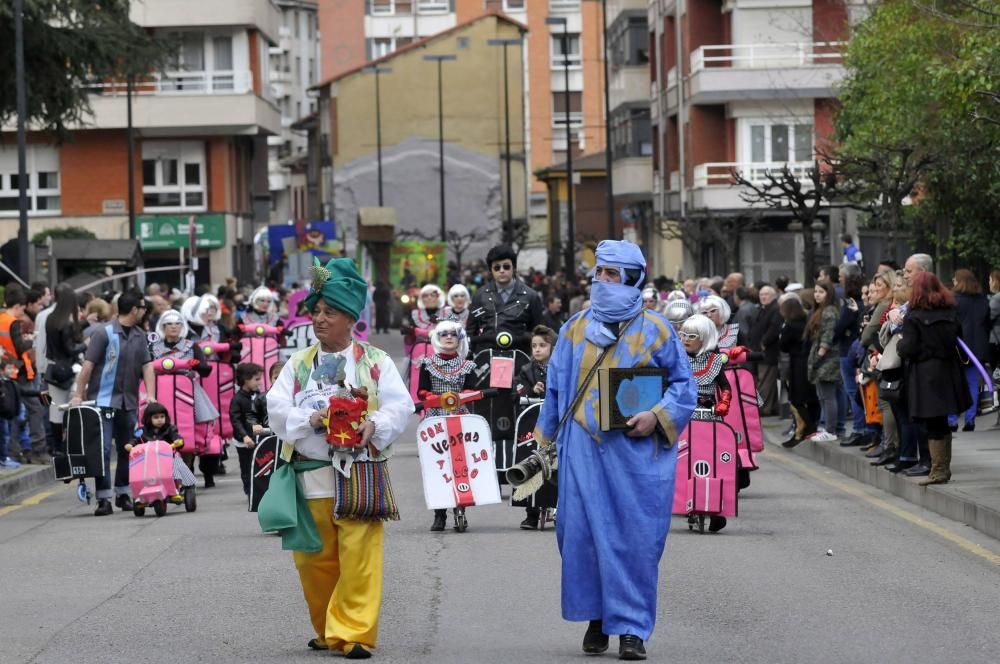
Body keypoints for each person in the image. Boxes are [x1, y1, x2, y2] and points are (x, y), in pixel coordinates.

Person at [533, 240, 696, 661]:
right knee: (580, 536)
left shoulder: (657, 330)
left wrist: (657, 416)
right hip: (581, 453)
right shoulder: (572, 328)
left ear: (633, 279)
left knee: (634, 540)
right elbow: (554, 389)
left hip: (637, 456)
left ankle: (632, 629)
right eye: (599, 273)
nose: (602, 281)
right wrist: (543, 439)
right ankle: (597, 619)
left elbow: (683, 387)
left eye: (612, 275)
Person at [262, 257, 413, 659]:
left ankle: (354, 633)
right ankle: (329, 628)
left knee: (360, 559)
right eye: (316, 311)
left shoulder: (376, 362)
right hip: (310, 475)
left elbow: (402, 406)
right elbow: (275, 407)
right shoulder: (298, 364)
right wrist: (308, 417)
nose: (319, 319)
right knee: (314, 562)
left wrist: (374, 426)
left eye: (329, 312)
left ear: (350, 318)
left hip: (360, 472)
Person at [70, 291, 156, 516]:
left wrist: (151, 395)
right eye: (142, 308)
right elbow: (88, 365)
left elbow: (147, 366)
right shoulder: (104, 332)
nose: (144, 312)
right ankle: (104, 498)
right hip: (103, 401)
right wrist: (79, 394)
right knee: (103, 449)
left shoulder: (140, 335)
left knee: (128, 449)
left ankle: (123, 493)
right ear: (135, 310)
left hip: (129, 402)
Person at [897, 272, 971, 485]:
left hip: (925, 373)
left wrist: (900, 345)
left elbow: (909, 348)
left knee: (932, 422)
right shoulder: (950, 312)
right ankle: (943, 468)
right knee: (942, 421)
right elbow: (959, 340)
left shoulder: (913, 316)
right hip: (948, 370)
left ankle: (938, 471)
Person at [417, 319, 478, 533]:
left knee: (460, 464)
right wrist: (436, 398)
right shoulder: (427, 363)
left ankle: (460, 509)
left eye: (454, 334)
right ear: (437, 338)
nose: (449, 337)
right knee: (438, 465)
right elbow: (421, 392)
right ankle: (439, 514)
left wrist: (460, 398)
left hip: (460, 417)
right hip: (435, 418)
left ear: (460, 339)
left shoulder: (468, 366)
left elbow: (472, 391)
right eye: (444, 334)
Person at [678, 314, 732, 532]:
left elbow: (725, 387)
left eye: (692, 336)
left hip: (710, 416)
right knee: (683, 461)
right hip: (683, 416)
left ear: (705, 338)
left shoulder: (715, 361)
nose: (685, 339)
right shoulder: (677, 359)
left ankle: (716, 508)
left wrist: (724, 403)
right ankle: (681, 499)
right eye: (683, 335)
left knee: (714, 462)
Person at [513, 324, 557, 530]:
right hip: (531, 423)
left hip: (555, 423)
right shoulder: (526, 370)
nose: (537, 349)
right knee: (529, 461)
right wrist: (531, 389)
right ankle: (530, 512)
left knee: (554, 464)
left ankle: (557, 507)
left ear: (553, 347)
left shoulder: (560, 369)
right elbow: (517, 391)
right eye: (534, 346)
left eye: (542, 345)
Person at [466, 244, 544, 356]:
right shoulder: (480, 295)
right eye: (497, 267)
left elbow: (539, 332)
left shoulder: (531, 296)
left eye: (506, 266)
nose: (502, 271)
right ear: (491, 270)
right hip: (486, 358)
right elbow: (470, 331)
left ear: (514, 268)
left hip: (521, 358)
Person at [0, 288, 47, 464]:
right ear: (18, 306)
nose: (23, 313)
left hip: (8, 371)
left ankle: (14, 451)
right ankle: (37, 449)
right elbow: (19, 347)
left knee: (14, 414)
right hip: (20, 372)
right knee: (34, 409)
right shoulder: (13, 322)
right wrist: (33, 340)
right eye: (22, 309)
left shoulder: (1, 319)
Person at [44, 284, 86, 454]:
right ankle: (71, 446)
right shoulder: (66, 324)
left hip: (53, 369)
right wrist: (85, 345)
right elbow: (70, 349)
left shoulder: (50, 319)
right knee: (74, 408)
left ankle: (57, 447)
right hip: (69, 370)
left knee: (56, 410)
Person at [950, 269, 989, 432]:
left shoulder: (954, 300)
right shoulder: (983, 300)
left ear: (959, 281)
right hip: (978, 348)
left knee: (953, 385)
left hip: (959, 348)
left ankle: (951, 420)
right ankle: (970, 420)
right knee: (973, 383)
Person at [779, 295, 820, 447]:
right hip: (809, 360)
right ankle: (811, 424)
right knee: (812, 397)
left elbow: (783, 345)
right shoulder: (807, 321)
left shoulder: (789, 325)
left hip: (797, 362)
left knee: (796, 398)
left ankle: (809, 426)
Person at [806, 280, 842, 442]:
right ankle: (827, 428)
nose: (817, 295)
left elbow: (827, 338)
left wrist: (818, 358)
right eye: (816, 292)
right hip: (822, 358)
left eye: (821, 292)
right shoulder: (822, 310)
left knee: (828, 396)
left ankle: (830, 430)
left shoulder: (829, 312)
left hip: (828, 359)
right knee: (823, 396)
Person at [230, 362, 264, 496]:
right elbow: (236, 420)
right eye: (256, 379)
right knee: (247, 467)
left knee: (260, 465)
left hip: (258, 438)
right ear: (245, 380)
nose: (259, 382)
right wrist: (244, 436)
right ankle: (250, 491)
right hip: (244, 441)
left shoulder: (259, 396)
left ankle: (259, 489)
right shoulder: (237, 399)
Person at [749, 286, 781, 416]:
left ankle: (763, 408)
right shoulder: (764, 308)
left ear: (773, 296)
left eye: (766, 294)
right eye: (761, 294)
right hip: (760, 351)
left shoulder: (775, 309)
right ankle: (772, 407)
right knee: (768, 380)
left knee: (765, 380)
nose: (763, 297)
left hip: (767, 351)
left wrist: (763, 342)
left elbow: (774, 328)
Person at [0, 357, 23, 468]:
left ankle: (4, 457)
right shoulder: (2, 384)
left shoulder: (13, 383)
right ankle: (3, 458)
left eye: (12, 368)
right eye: (8, 368)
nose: (11, 371)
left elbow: (24, 392)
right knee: (4, 436)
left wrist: (38, 393)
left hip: (10, 415)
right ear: (2, 370)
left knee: (6, 436)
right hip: (2, 415)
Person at [989, 270, 1000, 370]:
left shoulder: (997, 298)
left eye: (990, 280)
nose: (989, 282)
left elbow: (988, 316)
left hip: (995, 338)